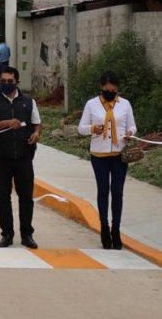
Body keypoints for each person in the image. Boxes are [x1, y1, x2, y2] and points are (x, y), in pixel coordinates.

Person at [0, 66, 41, 249]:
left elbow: (37, 124)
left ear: (17, 82)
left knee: (26, 196)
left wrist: (36, 133)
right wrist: (6, 123)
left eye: (10, 81)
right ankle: (6, 233)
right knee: (3, 196)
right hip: (0, 157)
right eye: (3, 81)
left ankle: (27, 233)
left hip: (24, 156)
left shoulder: (28, 102)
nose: (6, 84)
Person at [77, 71, 136, 250]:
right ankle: (104, 227)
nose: (110, 92)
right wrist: (93, 128)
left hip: (119, 155)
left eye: (113, 89)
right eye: (106, 89)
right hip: (99, 155)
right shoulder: (91, 104)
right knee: (103, 191)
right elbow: (81, 128)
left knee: (117, 192)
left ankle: (116, 230)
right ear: (101, 87)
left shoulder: (125, 104)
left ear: (117, 88)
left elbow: (132, 125)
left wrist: (130, 133)